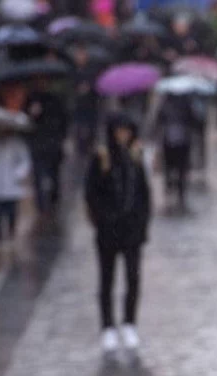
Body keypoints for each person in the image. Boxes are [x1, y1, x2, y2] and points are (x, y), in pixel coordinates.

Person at [85, 113, 151, 354]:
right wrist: (105, 217)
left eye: (127, 130)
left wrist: (142, 224)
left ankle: (129, 323)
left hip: (132, 231)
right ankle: (107, 326)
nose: (123, 135)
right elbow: (91, 193)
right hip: (107, 231)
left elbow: (144, 194)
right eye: (119, 130)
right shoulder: (101, 157)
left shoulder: (135, 156)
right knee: (107, 279)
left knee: (133, 278)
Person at [25, 79, 70, 214]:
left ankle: (53, 199)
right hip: (38, 143)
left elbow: (63, 119)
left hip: (52, 143)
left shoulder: (55, 99)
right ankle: (41, 204)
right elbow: (25, 121)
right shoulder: (31, 100)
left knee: (54, 173)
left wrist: (61, 136)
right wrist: (32, 114)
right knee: (39, 174)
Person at [153, 93, 195, 209]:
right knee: (180, 169)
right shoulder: (186, 103)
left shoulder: (165, 104)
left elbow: (158, 121)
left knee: (170, 168)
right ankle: (179, 193)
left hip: (170, 142)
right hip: (181, 142)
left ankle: (171, 190)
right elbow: (194, 120)